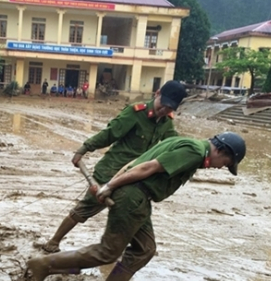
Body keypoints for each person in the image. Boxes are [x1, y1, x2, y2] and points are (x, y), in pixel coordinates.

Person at [26, 132, 246, 281]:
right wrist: (110, 186)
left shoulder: (183, 141)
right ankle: (43, 264)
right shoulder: (194, 152)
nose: (220, 168)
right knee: (108, 252)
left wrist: (112, 185)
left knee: (146, 249)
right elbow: (147, 168)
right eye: (226, 164)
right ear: (222, 151)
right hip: (134, 196)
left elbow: (134, 163)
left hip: (138, 198)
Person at [42, 80, 188, 254]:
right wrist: (84, 149)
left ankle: (121, 251)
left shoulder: (166, 122)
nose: (164, 110)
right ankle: (53, 242)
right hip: (110, 171)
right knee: (85, 208)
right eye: (163, 105)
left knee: (131, 216)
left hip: (135, 178)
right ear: (157, 94)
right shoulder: (135, 113)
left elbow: (173, 144)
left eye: (170, 108)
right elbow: (110, 133)